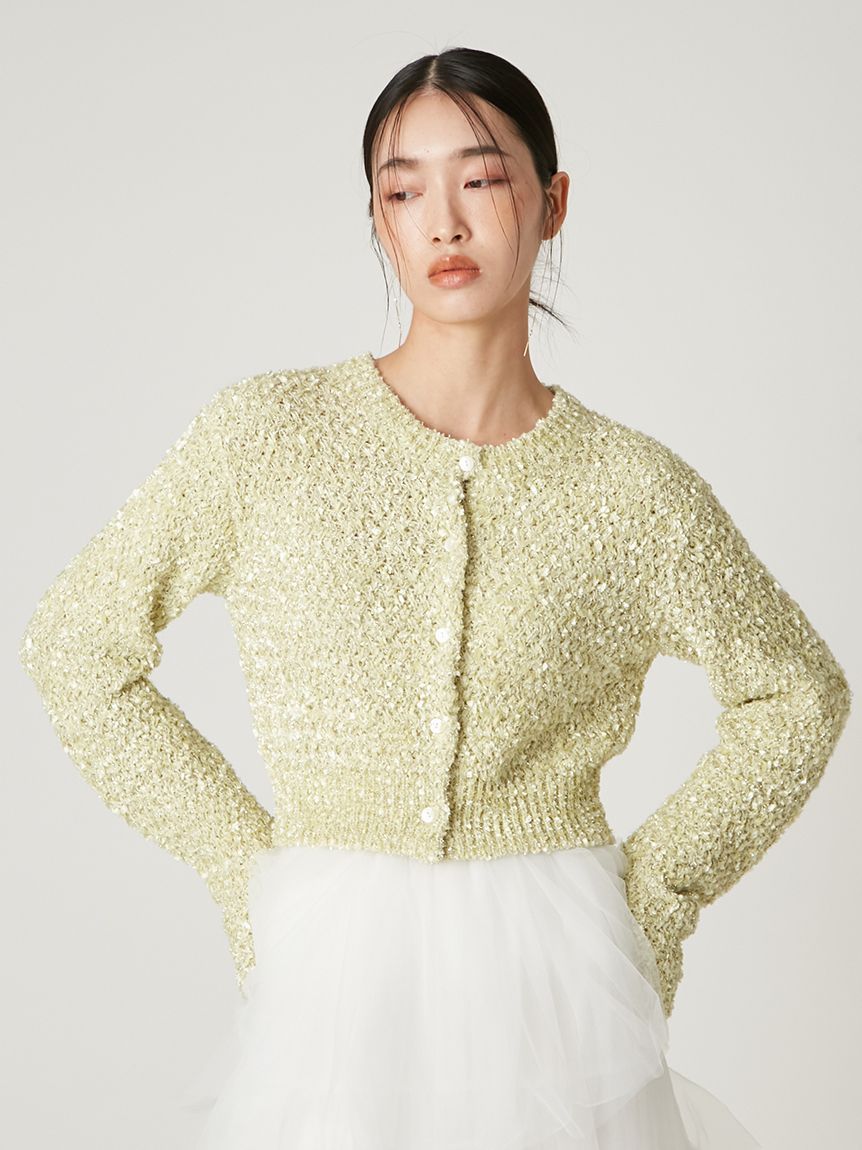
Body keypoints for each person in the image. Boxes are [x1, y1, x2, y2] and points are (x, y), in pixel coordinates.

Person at [19, 46, 851, 1150]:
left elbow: (796, 693)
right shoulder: (267, 437)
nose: (443, 224)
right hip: (332, 980)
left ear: (553, 203)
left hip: (559, 976)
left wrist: (658, 893)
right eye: (403, 192)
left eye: (482, 178)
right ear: (379, 220)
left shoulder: (633, 489)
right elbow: (75, 645)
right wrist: (240, 862)